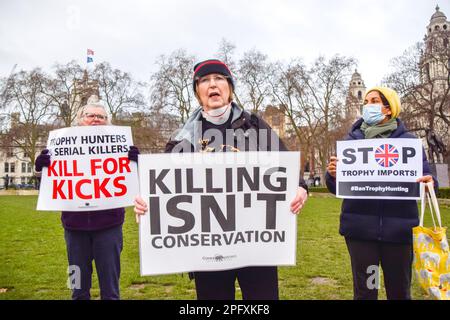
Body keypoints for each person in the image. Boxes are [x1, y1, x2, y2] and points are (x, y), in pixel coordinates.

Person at [134, 59, 309, 300]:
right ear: (198, 92)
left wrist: (301, 187)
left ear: (229, 87)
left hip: (255, 243)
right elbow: (164, 187)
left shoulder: (255, 126)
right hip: (207, 249)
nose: (212, 84)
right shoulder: (182, 139)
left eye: (219, 78)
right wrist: (147, 203)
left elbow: (285, 165)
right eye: (205, 80)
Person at [325, 86, 438, 300]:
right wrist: (332, 175)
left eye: (374, 100)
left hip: (399, 234)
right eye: (366, 101)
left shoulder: (410, 143)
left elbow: (428, 179)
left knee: (399, 291)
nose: (368, 105)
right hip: (361, 235)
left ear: (388, 108)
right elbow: (336, 187)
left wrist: (429, 182)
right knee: (367, 291)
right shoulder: (352, 142)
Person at [35, 96, 140, 300]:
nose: (95, 119)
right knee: (77, 288)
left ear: (107, 120)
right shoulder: (60, 146)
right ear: (79, 119)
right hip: (74, 229)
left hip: (109, 227)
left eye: (101, 116)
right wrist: (41, 168)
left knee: (110, 289)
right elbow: (49, 186)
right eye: (90, 115)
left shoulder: (122, 147)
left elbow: (135, 184)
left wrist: (137, 164)